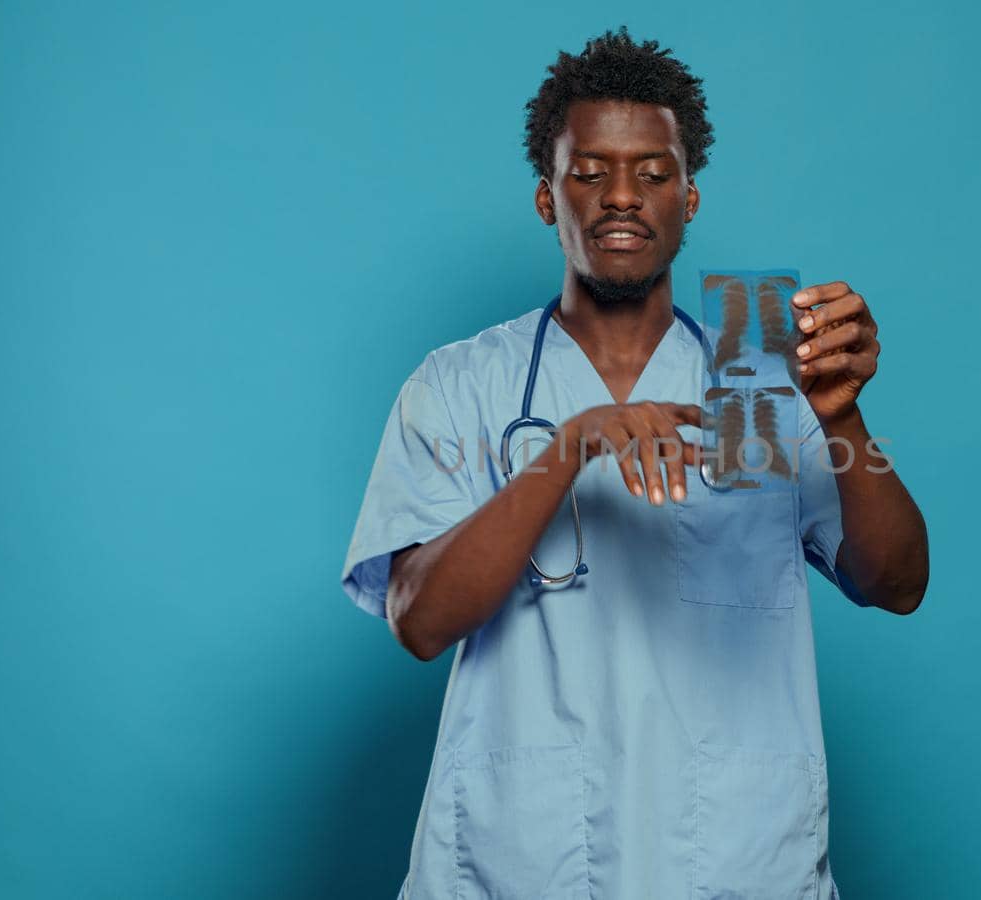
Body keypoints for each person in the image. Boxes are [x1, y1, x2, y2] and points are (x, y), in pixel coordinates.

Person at [340, 26, 929, 899]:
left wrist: (843, 416)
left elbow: (896, 582)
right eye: (590, 172)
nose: (623, 196)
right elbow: (419, 622)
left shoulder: (752, 382)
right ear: (549, 197)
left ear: (690, 198)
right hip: (527, 860)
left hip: (730, 852)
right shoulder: (462, 383)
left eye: (654, 173)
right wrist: (569, 447)